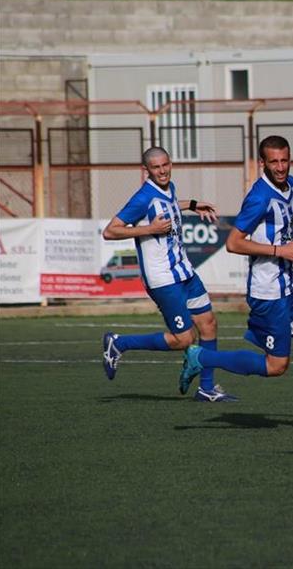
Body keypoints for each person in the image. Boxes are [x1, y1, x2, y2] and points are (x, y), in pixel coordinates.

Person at [178, 135, 293, 432]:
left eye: (285, 160)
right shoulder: (259, 197)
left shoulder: (290, 184)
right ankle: (201, 356)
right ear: (262, 163)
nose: (281, 167)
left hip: (289, 283)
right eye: (274, 161)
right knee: (277, 366)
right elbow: (234, 243)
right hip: (267, 291)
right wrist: (279, 251)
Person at [101, 146, 236, 402]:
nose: (162, 171)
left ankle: (206, 389)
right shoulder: (142, 198)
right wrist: (149, 229)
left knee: (208, 324)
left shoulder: (168, 188)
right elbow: (110, 231)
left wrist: (193, 204)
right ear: (146, 171)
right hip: (162, 278)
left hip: (184, 270)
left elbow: (171, 204)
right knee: (183, 339)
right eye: (156, 167)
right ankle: (119, 343)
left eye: (165, 165)